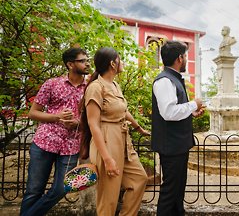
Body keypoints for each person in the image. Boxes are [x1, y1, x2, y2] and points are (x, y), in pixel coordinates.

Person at [20, 47, 90, 216]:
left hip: (71, 146)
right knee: (33, 191)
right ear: (70, 64)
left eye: (88, 60)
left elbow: (92, 119)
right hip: (44, 142)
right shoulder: (52, 84)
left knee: (62, 188)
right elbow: (33, 113)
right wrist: (57, 117)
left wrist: (77, 123)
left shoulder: (90, 88)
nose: (87, 64)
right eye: (83, 61)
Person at [80, 47, 149, 216]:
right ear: (113, 64)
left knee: (139, 179)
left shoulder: (115, 85)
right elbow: (93, 124)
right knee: (108, 197)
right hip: (106, 140)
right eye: (120, 59)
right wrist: (107, 159)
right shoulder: (95, 88)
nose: (123, 62)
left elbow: (122, 110)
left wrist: (137, 127)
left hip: (122, 138)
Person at [152, 40, 204, 216]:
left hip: (177, 145)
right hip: (171, 146)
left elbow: (175, 110)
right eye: (186, 56)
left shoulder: (172, 78)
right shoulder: (165, 81)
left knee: (177, 190)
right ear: (179, 58)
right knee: (170, 192)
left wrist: (190, 112)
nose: (187, 60)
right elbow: (168, 112)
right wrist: (193, 105)